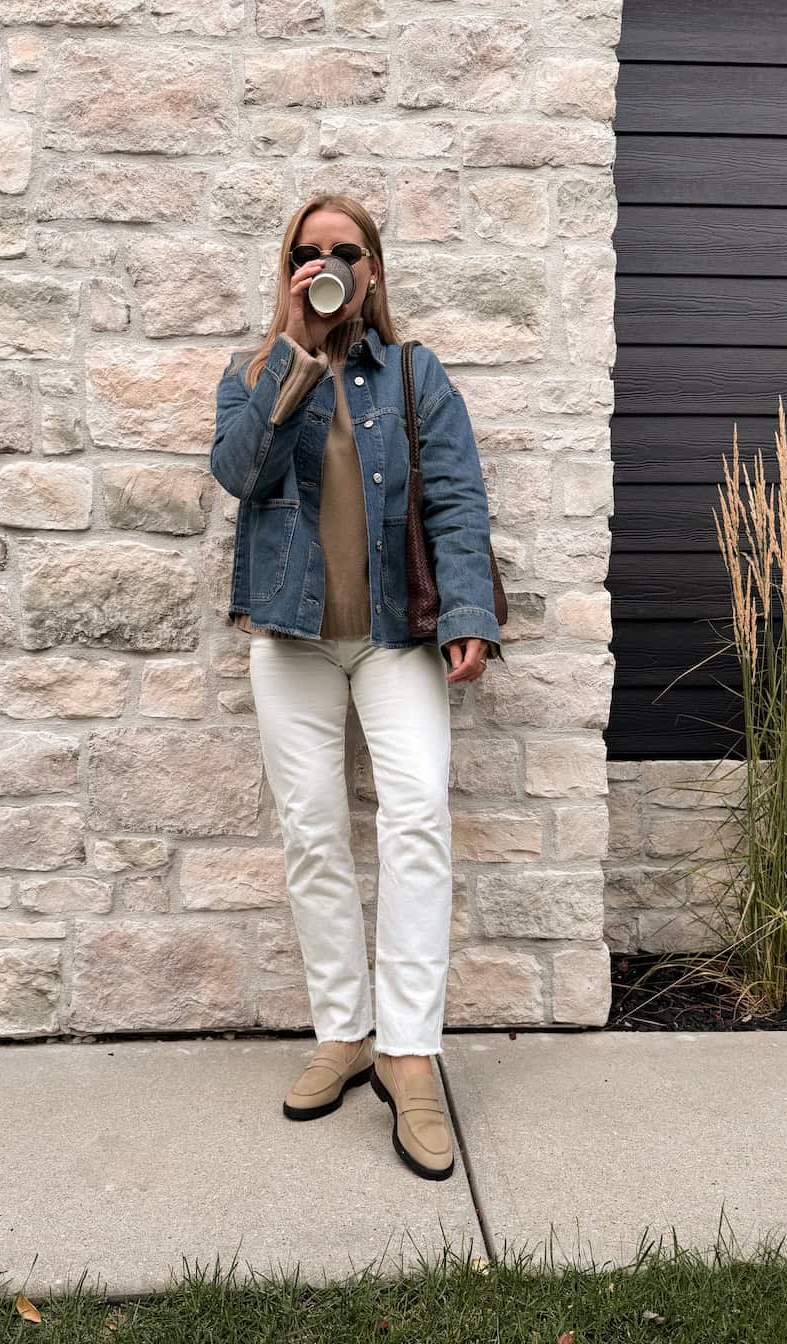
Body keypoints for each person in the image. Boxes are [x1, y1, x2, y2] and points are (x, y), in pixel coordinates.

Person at [209, 192, 503, 1181]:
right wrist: (293, 354)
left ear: (370, 269)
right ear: (289, 265)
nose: (327, 263)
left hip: (389, 636)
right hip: (289, 638)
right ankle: (343, 1029)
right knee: (312, 833)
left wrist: (466, 613)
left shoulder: (416, 376)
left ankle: (407, 1051)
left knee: (414, 814)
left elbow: (457, 498)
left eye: (344, 251)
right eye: (308, 250)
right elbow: (238, 475)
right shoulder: (253, 373)